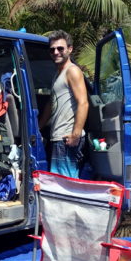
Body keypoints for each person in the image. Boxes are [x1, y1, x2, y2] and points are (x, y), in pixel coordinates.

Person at [39, 30, 88, 177]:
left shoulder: (72, 71)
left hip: (67, 138)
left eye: (60, 48)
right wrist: (38, 127)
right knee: (60, 181)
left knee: (66, 182)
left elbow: (83, 103)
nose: (56, 52)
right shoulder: (58, 74)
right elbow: (51, 104)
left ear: (70, 49)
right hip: (59, 138)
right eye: (52, 49)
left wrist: (76, 134)